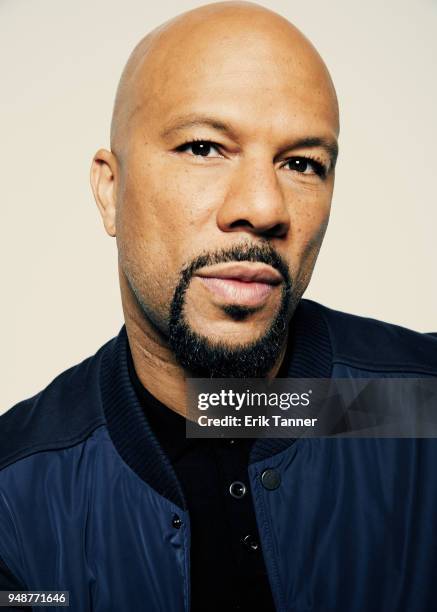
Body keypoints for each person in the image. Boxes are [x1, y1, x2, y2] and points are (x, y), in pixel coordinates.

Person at [1, 2, 436, 611]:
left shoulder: (420, 407)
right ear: (111, 190)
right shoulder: (16, 495)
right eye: (204, 148)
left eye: (302, 163)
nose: (263, 207)